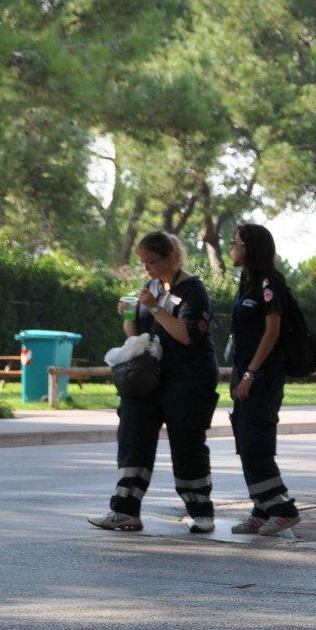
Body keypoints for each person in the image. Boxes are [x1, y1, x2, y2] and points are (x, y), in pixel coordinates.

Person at [90, 230, 220, 533]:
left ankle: (201, 512)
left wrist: (156, 307)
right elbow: (136, 335)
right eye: (143, 263)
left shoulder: (193, 291)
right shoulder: (151, 286)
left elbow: (186, 335)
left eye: (151, 262)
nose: (147, 268)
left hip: (188, 378)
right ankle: (125, 510)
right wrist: (131, 313)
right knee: (133, 436)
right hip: (148, 378)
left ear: (171, 258)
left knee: (187, 444)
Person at [225, 223, 303, 537]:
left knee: (255, 444)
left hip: (262, 376)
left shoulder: (270, 282)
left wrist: (250, 374)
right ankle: (261, 509)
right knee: (246, 443)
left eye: (235, 242)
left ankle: (283, 509)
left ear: (249, 248)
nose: (231, 247)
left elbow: (272, 332)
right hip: (245, 373)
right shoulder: (247, 283)